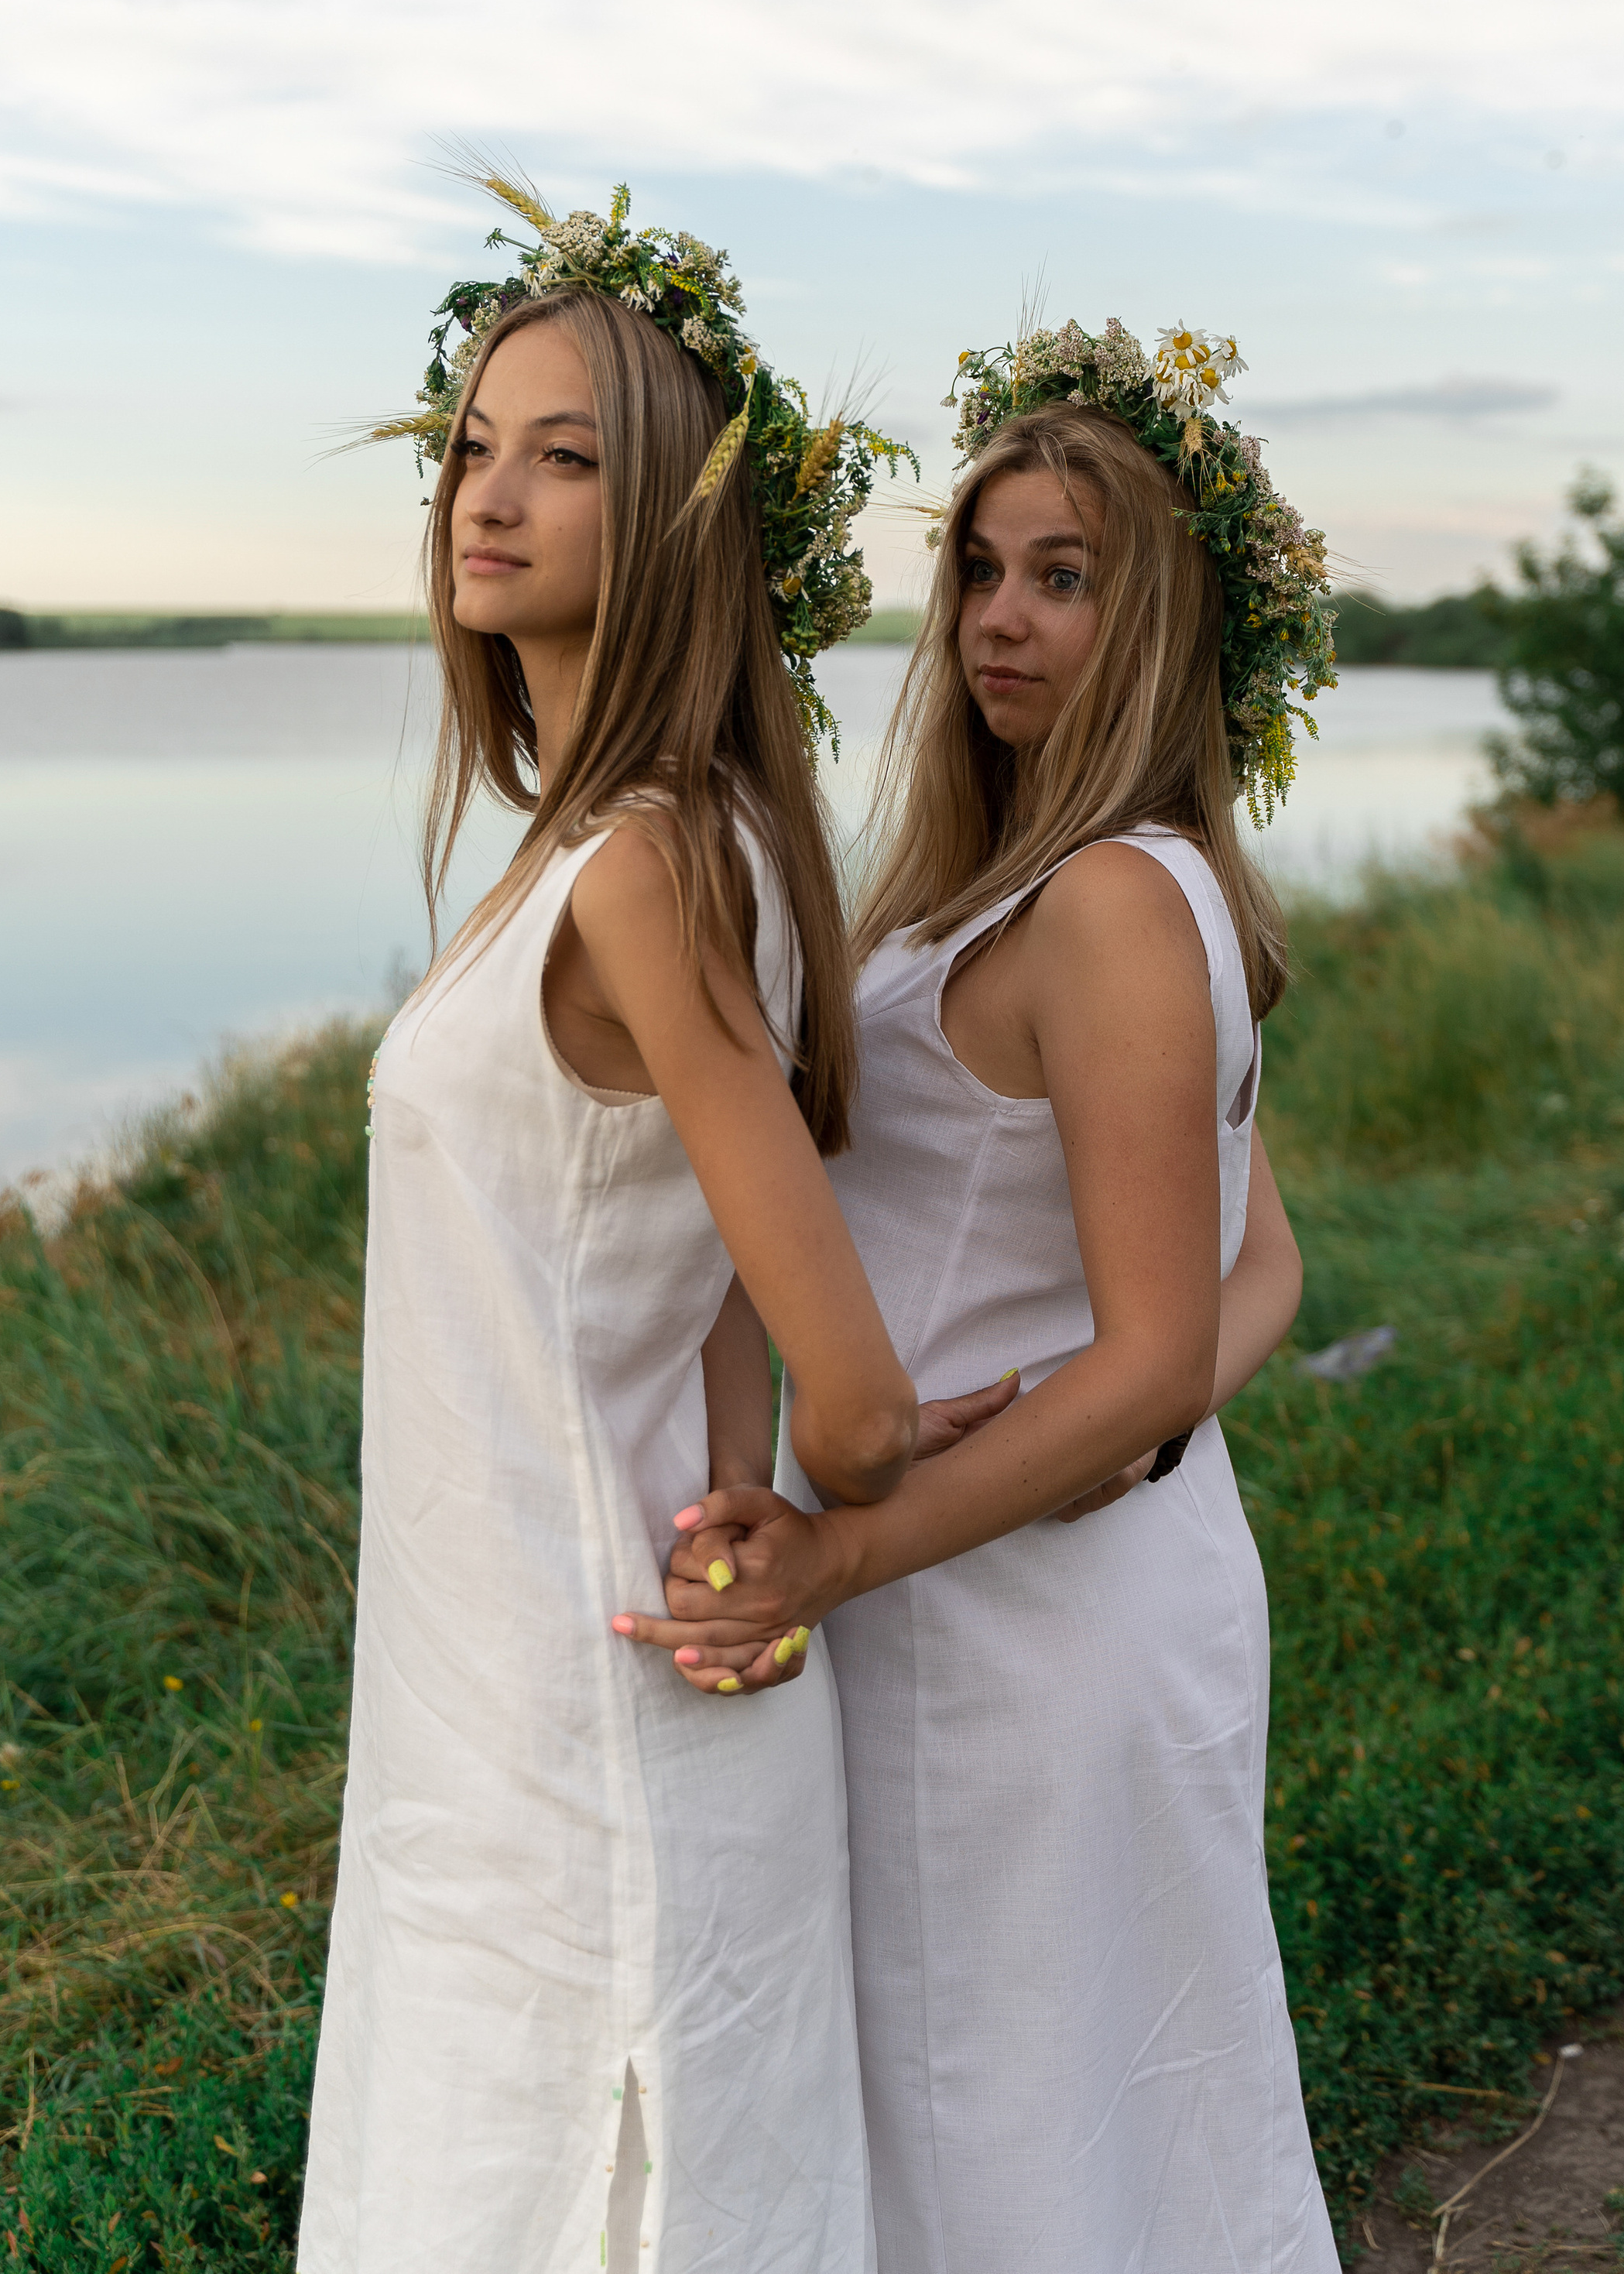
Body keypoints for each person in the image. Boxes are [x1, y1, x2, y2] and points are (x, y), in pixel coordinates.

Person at [620, 316, 1341, 2273]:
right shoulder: (1117, 880)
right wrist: (1138, 1420)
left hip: (1006, 1626)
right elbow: (1248, 1268)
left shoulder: (1108, 901)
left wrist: (865, 1547)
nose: (996, 618)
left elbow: (1174, 1329)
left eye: (1065, 577)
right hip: (1067, 1569)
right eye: (979, 568)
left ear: (1170, 620)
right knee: (1124, 2118)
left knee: (1002, 2132)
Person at [298, 180, 924, 2274]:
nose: (493, 493)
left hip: (594, 1715)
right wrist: (729, 1461)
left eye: (567, 457)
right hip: (492, 1695)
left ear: (668, 524)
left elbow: (855, 1378)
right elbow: (703, 1261)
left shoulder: (647, 859)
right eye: (476, 444)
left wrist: (786, 1533)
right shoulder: (603, 839)